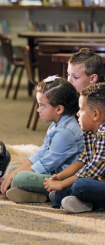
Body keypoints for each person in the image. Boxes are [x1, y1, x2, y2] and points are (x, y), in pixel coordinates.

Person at [0, 76, 84, 203]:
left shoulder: (65, 132)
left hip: (62, 180)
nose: (38, 110)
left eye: (42, 106)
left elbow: (45, 164)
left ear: (59, 109)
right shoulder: (57, 124)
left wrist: (14, 176)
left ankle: (42, 193)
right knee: (14, 169)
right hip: (52, 172)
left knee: (19, 178)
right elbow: (40, 154)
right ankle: (36, 196)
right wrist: (14, 173)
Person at [44, 83, 105, 213]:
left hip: (97, 181)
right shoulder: (89, 133)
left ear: (95, 115)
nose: (77, 114)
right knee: (67, 188)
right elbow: (82, 161)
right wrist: (59, 178)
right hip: (99, 181)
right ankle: (80, 201)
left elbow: (91, 171)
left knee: (80, 185)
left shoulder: (103, 135)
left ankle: (91, 203)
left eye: (81, 110)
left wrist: (62, 184)